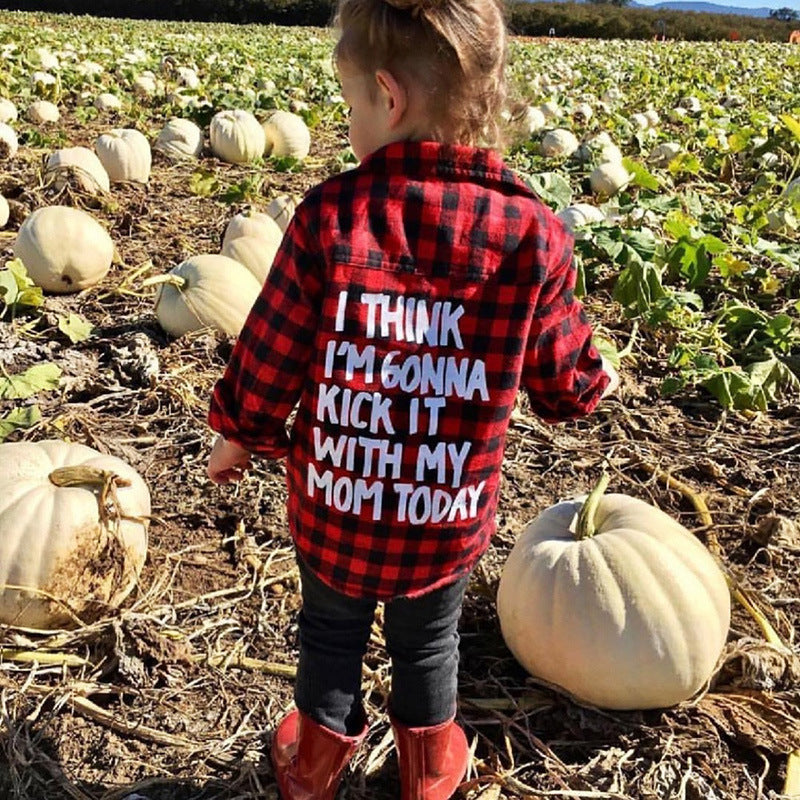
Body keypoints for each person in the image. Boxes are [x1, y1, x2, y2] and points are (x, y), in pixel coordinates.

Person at [206, 0, 619, 798]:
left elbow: (270, 352)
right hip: (443, 517)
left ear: (388, 97)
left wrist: (239, 431)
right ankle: (428, 769)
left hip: (335, 505)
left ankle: (314, 765)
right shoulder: (534, 234)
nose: (349, 124)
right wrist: (590, 381)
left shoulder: (330, 216)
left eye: (351, 105)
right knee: (428, 645)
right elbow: (564, 386)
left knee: (328, 633)